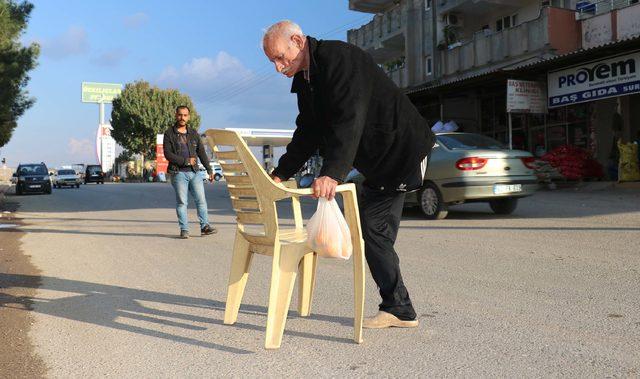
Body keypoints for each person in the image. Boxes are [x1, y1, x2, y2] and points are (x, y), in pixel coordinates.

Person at [262, 21, 435, 329]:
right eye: (272, 61)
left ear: (298, 41)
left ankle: (399, 308)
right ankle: (399, 307)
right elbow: (309, 129)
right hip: (380, 161)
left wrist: (332, 173)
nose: (277, 67)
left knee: (373, 229)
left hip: (404, 150)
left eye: (279, 57)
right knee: (374, 232)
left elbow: (350, 116)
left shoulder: (339, 59)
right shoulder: (306, 78)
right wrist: (280, 172)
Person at [163, 105, 217, 239]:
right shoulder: (169, 133)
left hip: (195, 173)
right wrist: (186, 161)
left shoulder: (193, 133)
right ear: (176, 115)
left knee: (201, 200)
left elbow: (201, 153)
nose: (182, 117)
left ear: (189, 117)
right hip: (178, 173)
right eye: (180, 115)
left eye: (185, 115)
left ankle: (205, 227)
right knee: (182, 203)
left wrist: (209, 169)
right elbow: (168, 154)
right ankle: (184, 229)